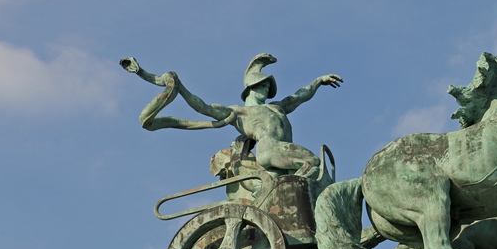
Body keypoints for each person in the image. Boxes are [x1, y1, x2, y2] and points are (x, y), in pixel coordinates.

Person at [121, 53, 342, 177]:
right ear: (251, 88)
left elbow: (298, 96)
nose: (266, 88)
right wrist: (178, 86)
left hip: (279, 153)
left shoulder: (277, 107)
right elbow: (203, 107)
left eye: (268, 86)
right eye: (262, 85)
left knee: (316, 176)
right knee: (312, 162)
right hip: (269, 148)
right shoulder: (238, 111)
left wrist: (318, 82)